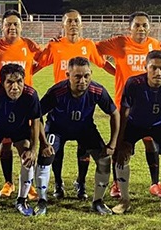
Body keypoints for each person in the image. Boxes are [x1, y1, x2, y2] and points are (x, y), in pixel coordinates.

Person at [34, 10, 115, 200]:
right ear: (63, 25)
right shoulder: (55, 45)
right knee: (55, 151)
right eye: (69, 21)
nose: (73, 24)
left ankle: (81, 183)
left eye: (76, 21)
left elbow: (103, 64)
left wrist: (121, 74)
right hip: (59, 104)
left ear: (81, 24)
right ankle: (58, 183)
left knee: (84, 149)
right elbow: (38, 64)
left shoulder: (88, 45)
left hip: (83, 105)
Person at [96, 11, 161, 199]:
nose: (141, 29)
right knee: (121, 144)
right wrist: (113, 69)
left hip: (149, 105)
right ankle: (117, 183)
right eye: (137, 25)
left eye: (144, 25)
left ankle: (155, 183)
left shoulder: (155, 45)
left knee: (150, 142)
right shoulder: (120, 43)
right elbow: (95, 50)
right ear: (130, 28)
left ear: (149, 28)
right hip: (125, 106)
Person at [38, 57, 119, 215]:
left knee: (104, 160)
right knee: (46, 157)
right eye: (77, 76)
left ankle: (97, 201)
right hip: (57, 128)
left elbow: (114, 113)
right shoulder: (57, 92)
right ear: (68, 75)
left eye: (86, 76)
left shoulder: (97, 90)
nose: (83, 81)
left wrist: (112, 144)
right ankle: (43, 200)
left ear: (91, 74)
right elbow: (37, 115)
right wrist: (43, 143)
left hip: (84, 129)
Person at [113, 50, 161, 216]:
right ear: (146, 67)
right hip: (134, 124)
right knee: (122, 155)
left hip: (158, 124)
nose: (158, 72)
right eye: (153, 68)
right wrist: (120, 140)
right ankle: (124, 200)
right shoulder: (134, 83)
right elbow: (124, 112)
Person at [0, 10, 42, 199]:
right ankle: (8, 182)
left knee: (26, 143)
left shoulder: (29, 45)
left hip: (24, 104)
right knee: (5, 146)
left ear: (21, 27)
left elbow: (44, 59)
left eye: (15, 24)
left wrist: (29, 74)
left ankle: (29, 185)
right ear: (2, 27)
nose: (12, 27)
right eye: (8, 24)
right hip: (1, 103)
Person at [0, 63, 43, 217]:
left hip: (20, 130)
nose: (15, 87)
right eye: (10, 82)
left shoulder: (31, 95)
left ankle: (22, 200)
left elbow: (36, 122)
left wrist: (33, 149)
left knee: (28, 159)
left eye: (19, 81)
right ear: (2, 83)